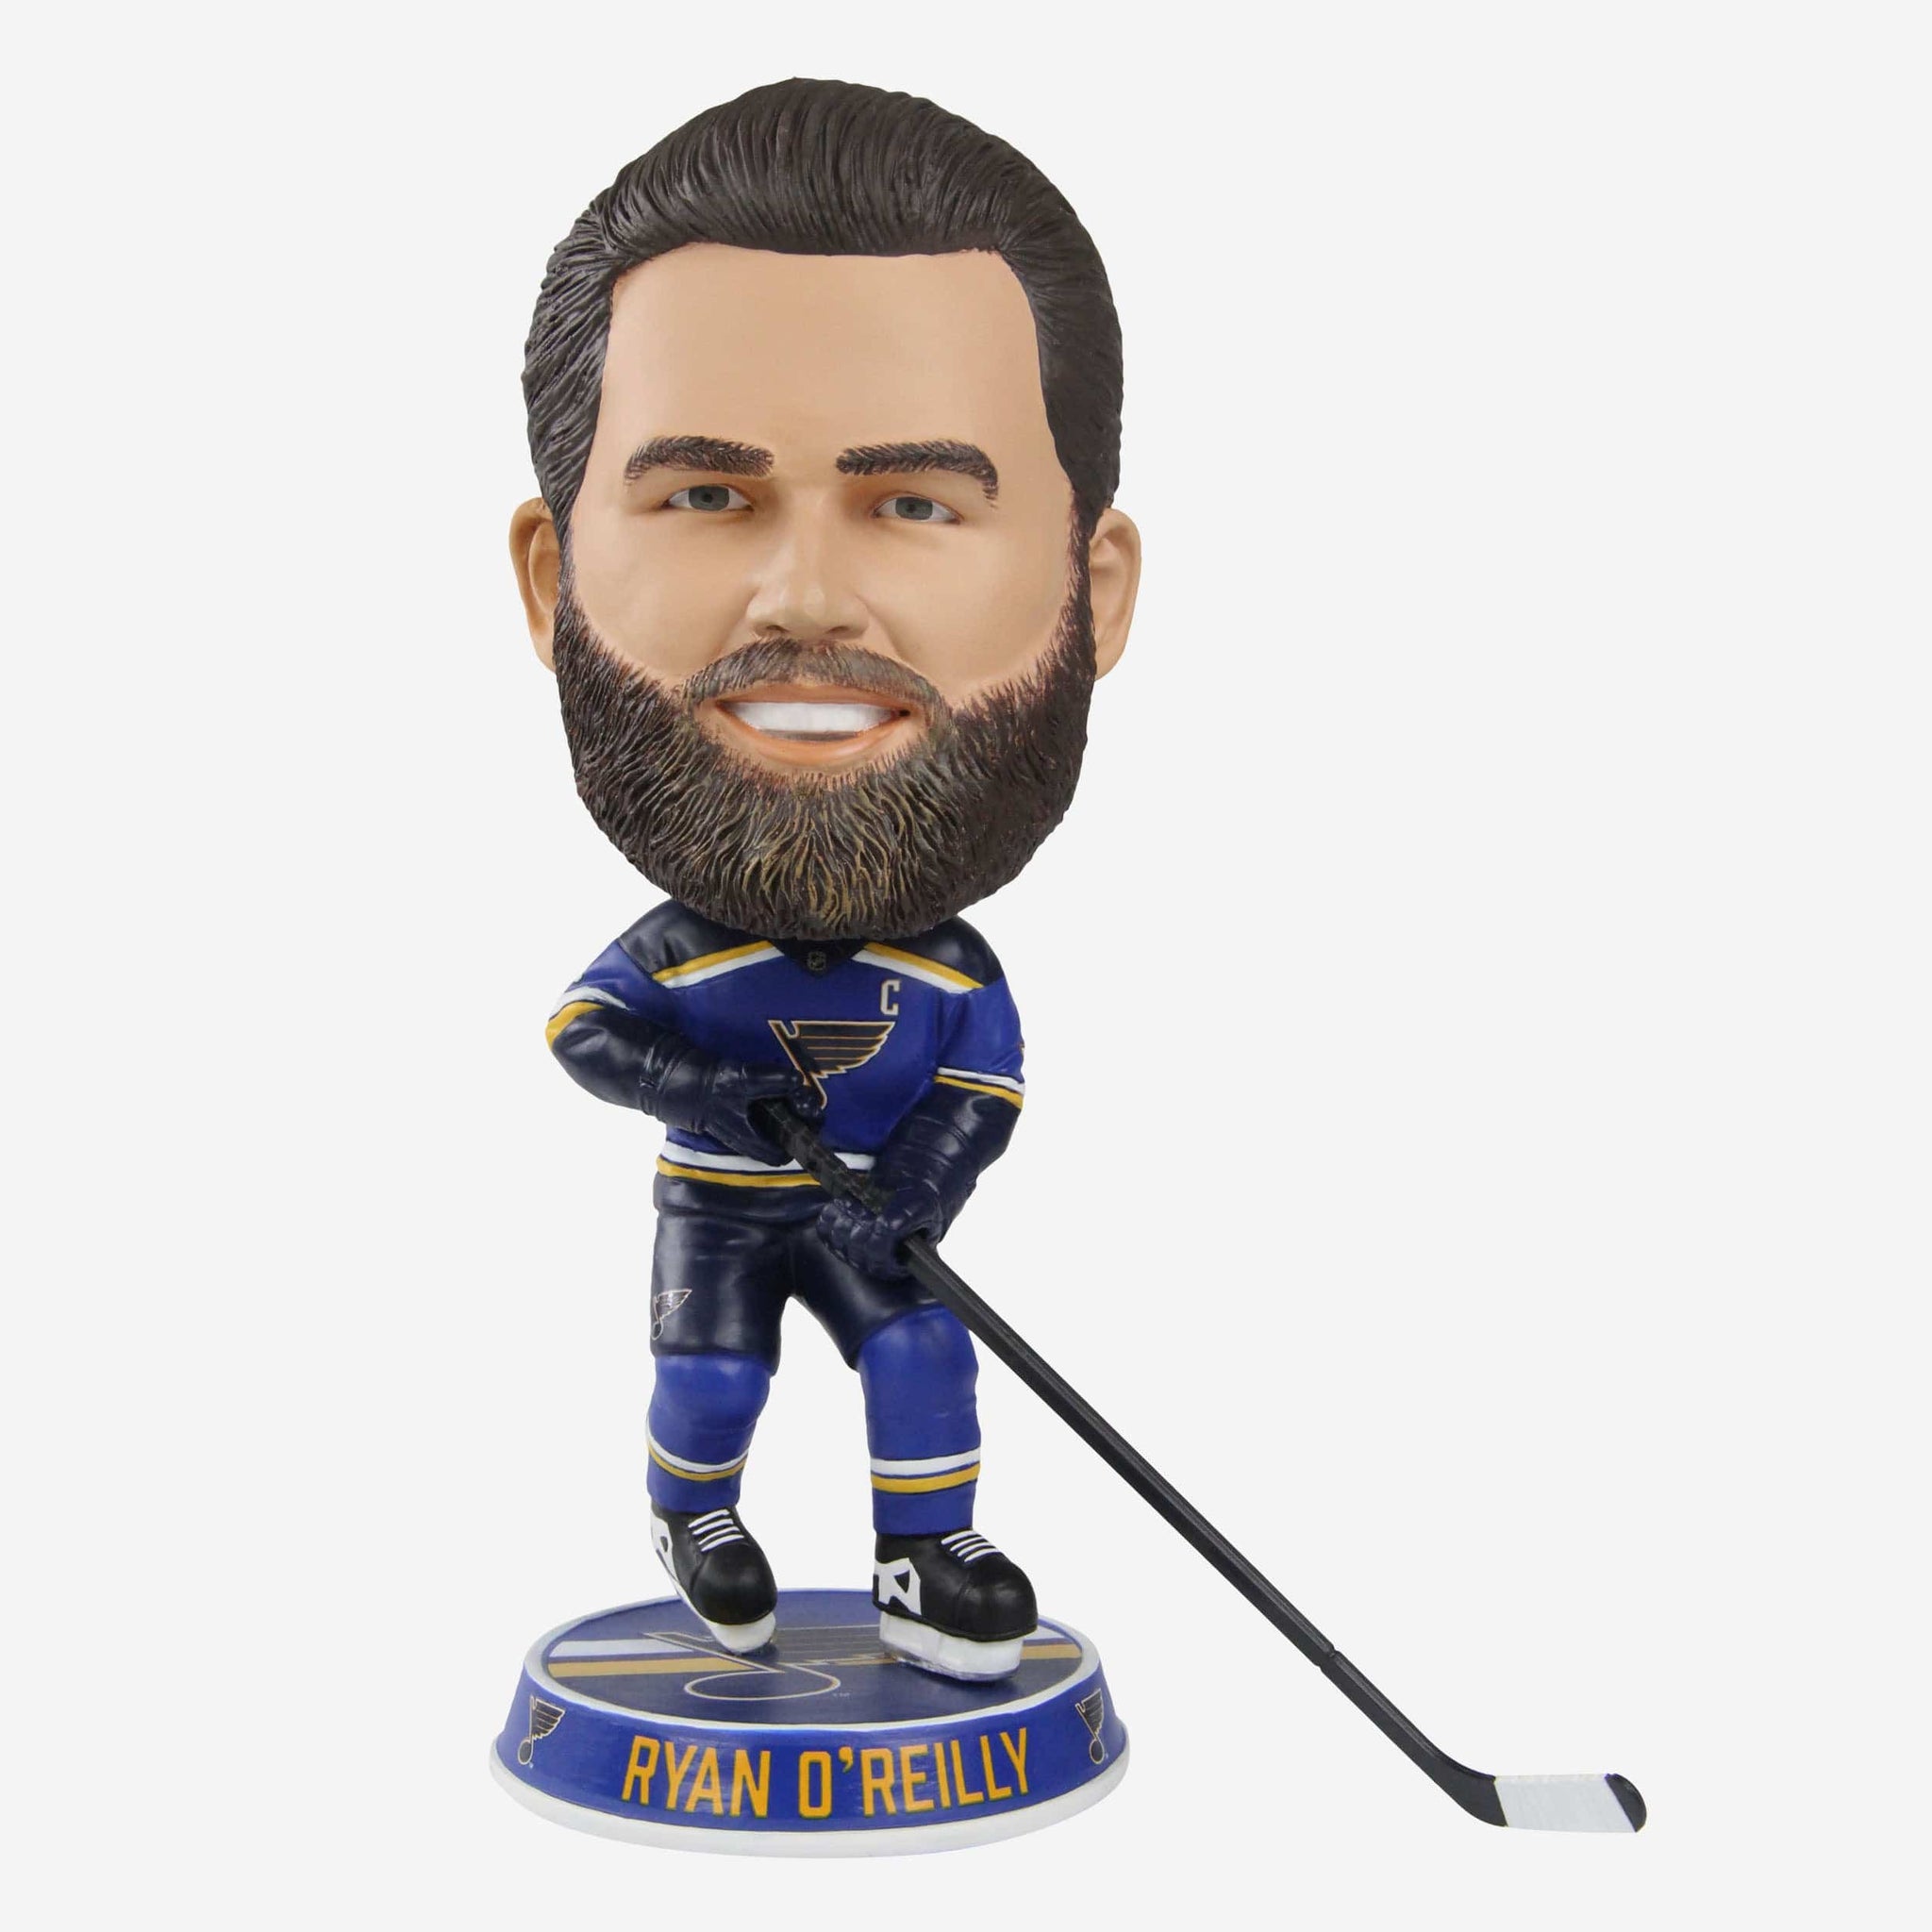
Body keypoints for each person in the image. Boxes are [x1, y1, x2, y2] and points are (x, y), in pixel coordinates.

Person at [509, 78, 1140, 1680]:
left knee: (924, 1361)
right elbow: (585, 1031)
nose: (806, 598)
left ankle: (926, 1552)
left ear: (1098, 591)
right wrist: (704, 1095)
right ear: (550, 581)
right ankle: (694, 1514)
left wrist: (914, 1193)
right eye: (707, 496)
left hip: (872, 1218)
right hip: (721, 1213)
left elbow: (980, 1095)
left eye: (915, 503)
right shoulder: (677, 953)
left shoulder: (953, 980)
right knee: (713, 1378)